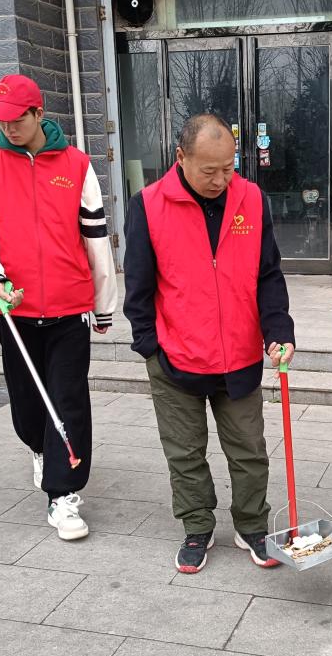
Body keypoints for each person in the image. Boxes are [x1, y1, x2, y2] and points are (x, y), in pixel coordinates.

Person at [123, 113, 295, 574]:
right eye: (209, 170)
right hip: (175, 355)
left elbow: (268, 274)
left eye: (228, 168)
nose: (221, 180)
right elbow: (138, 285)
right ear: (181, 158)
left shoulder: (252, 199)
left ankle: (252, 525)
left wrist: (279, 330)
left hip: (239, 354)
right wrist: (149, 346)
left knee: (249, 450)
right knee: (184, 453)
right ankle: (197, 526)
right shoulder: (148, 205)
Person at [0, 74, 117, 541]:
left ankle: (63, 495)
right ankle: (39, 447)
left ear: (38, 114)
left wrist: (103, 303)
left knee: (67, 399)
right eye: (0, 121)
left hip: (69, 308)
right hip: (14, 310)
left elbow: (96, 238)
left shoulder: (77, 165)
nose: (8, 128)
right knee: (28, 404)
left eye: (17, 119)